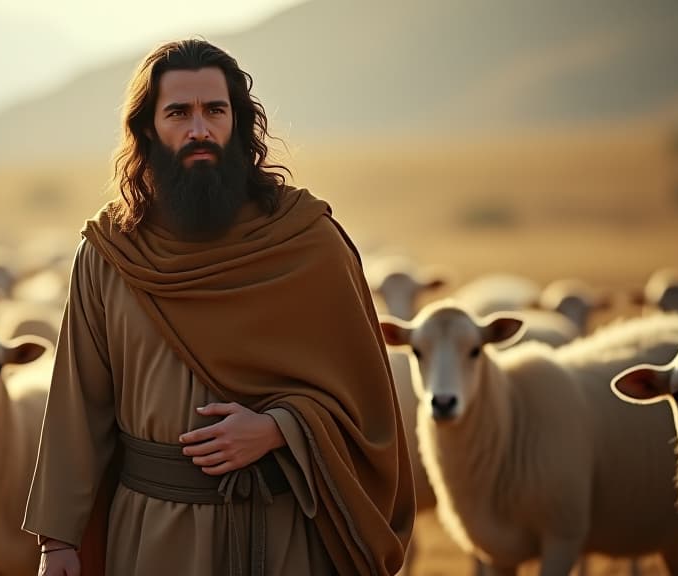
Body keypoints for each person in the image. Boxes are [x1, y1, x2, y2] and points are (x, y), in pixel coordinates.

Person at [23, 38, 414, 576]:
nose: (199, 130)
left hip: (282, 532)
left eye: (215, 110)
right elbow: (78, 405)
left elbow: (368, 409)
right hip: (151, 537)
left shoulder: (308, 244)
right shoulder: (110, 254)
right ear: (147, 129)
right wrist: (57, 542)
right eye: (178, 113)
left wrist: (281, 428)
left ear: (240, 122)